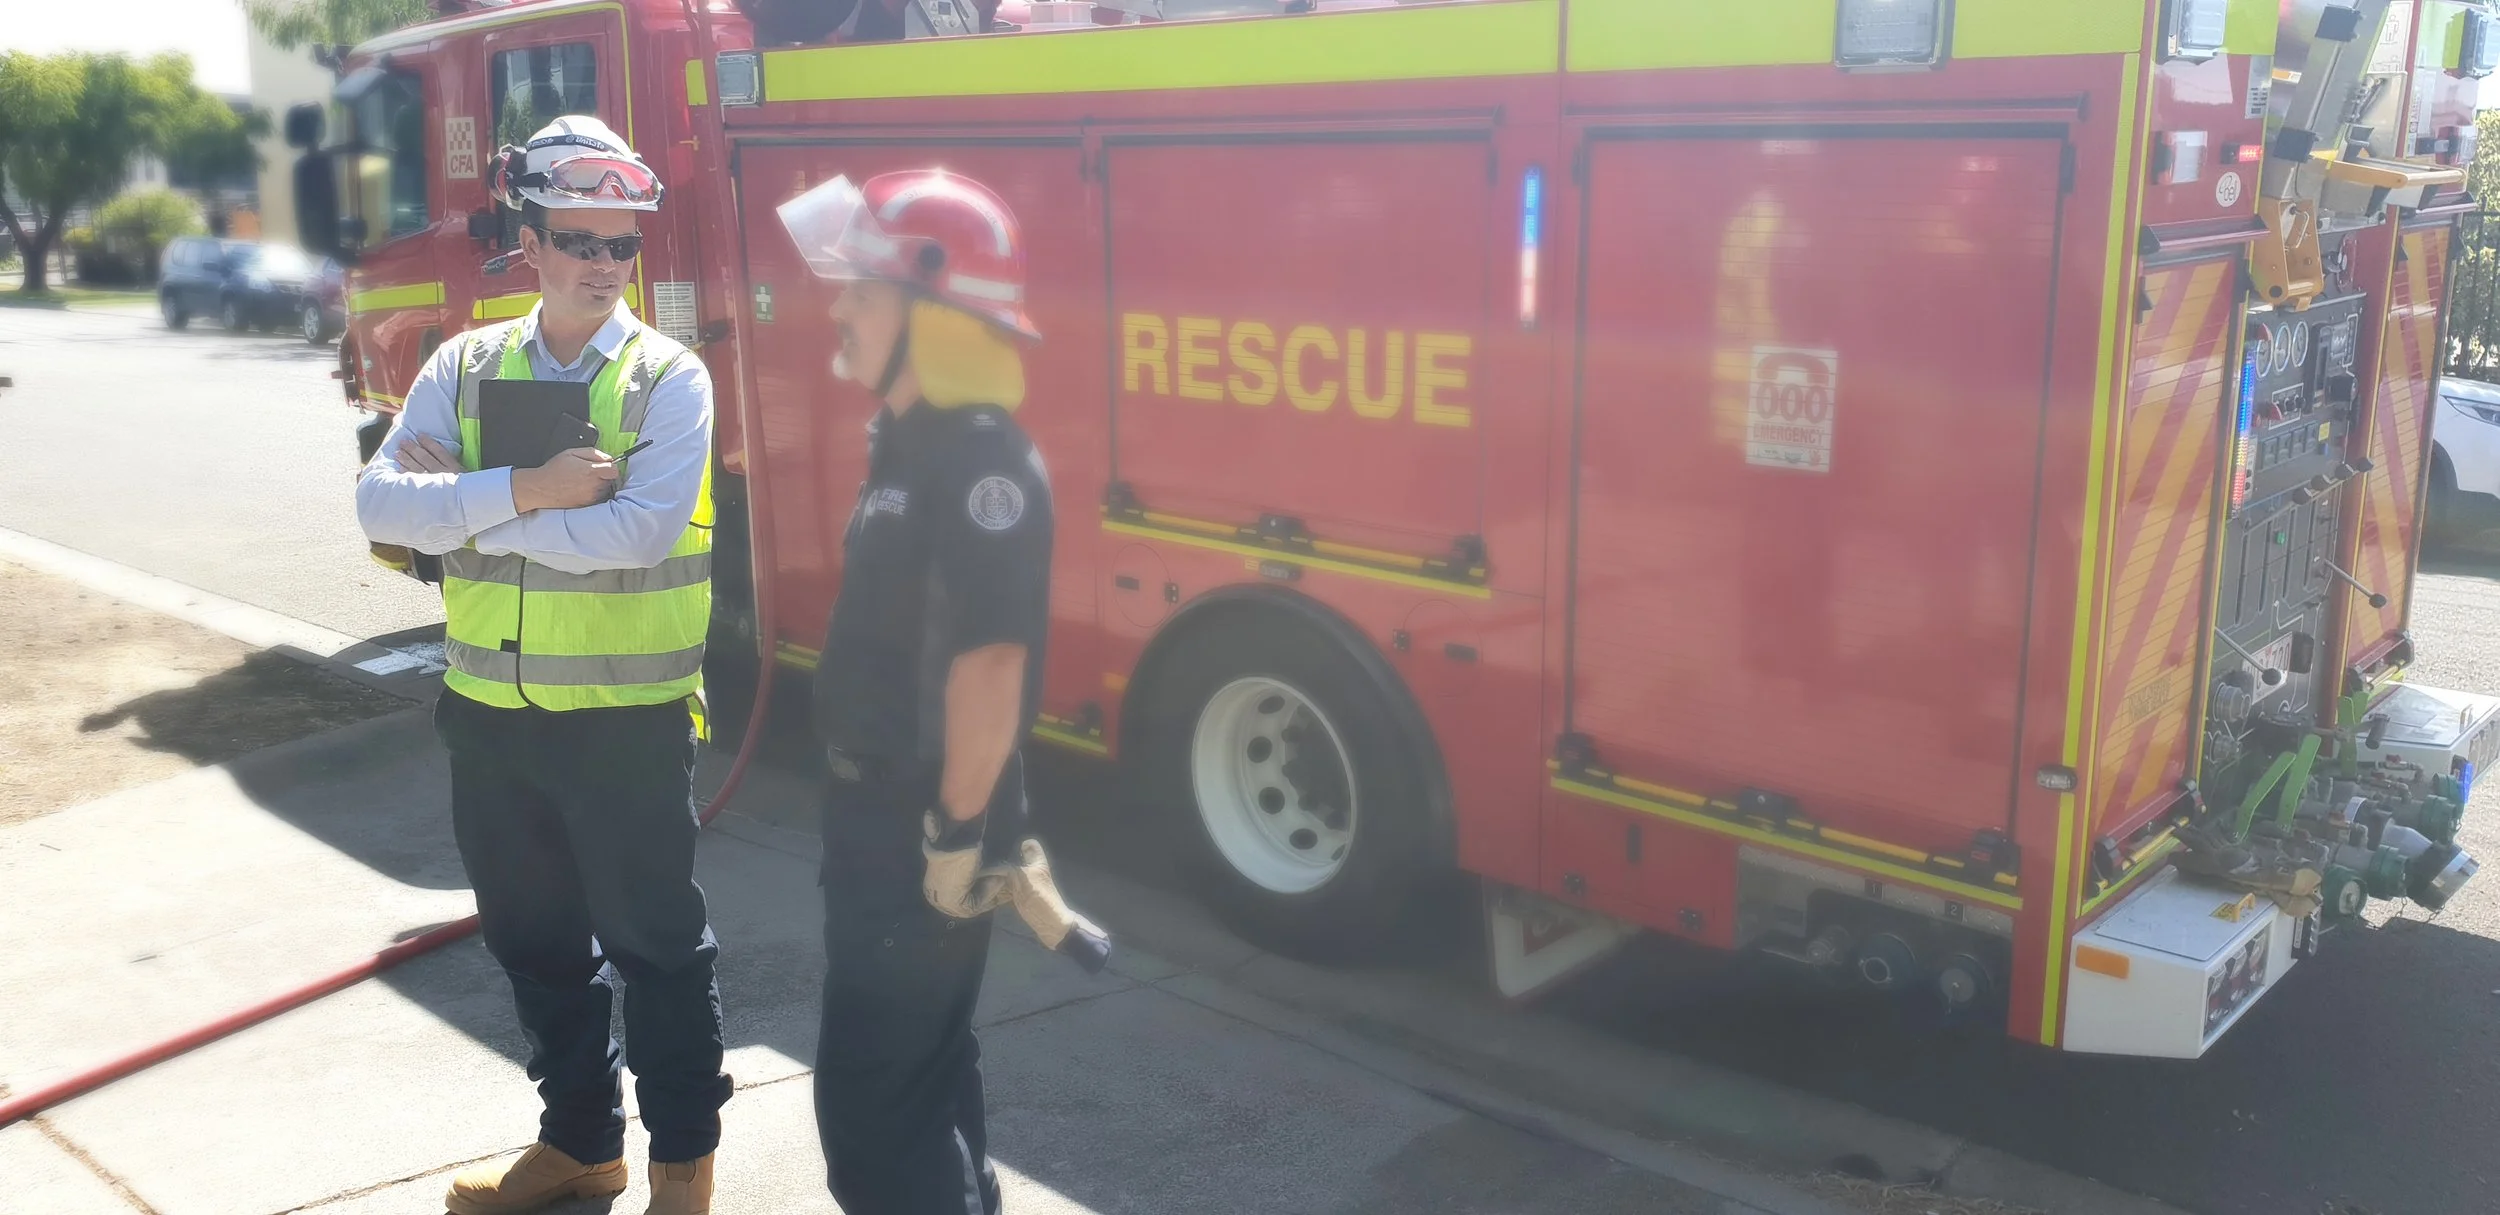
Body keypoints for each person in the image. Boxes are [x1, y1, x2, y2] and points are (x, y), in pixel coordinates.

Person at [353, 115, 729, 1215]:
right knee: (535, 945)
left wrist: (459, 512)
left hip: (626, 722)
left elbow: (636, 535)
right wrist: (528, 491)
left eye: (622, 245)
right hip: (489, 715)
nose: (603, 266)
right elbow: (379, 504)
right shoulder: (463, 364)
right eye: (578, 240)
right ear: (531, 241)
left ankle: (681, 1173)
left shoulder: (670, 380)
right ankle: (580, 1145)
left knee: (658, 952)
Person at [775, 168, 1057, 1215]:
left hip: (916, 820)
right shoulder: (912, 439)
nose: (838, 306)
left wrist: (956, 829)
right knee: (923, 1073)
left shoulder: (981, 461)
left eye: (862, 288)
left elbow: (991, 659)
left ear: (930, 308)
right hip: (882, 814)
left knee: (875, 1110)